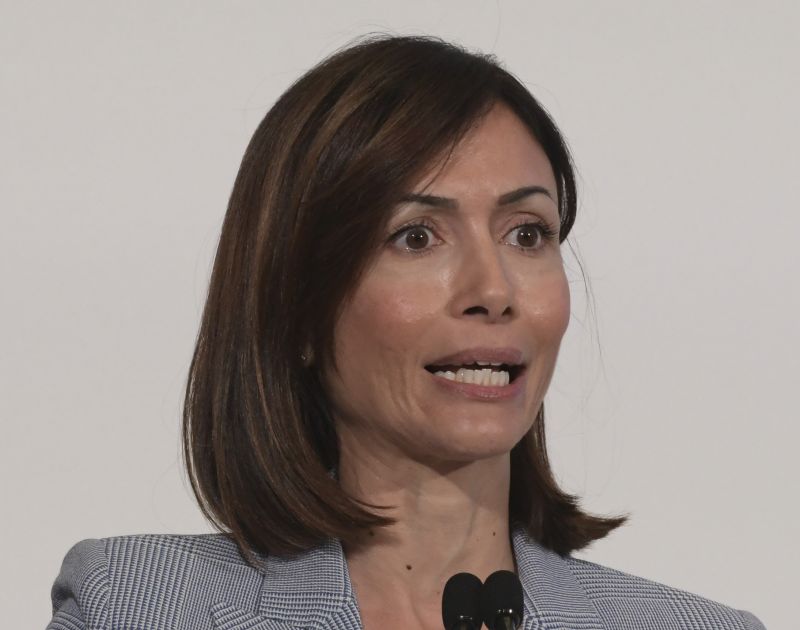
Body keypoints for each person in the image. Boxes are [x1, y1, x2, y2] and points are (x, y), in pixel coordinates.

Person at [46, 34, 766, 630]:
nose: (493, 291)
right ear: (297, 307)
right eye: (416, 236)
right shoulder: (132, 604)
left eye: (527, 233)